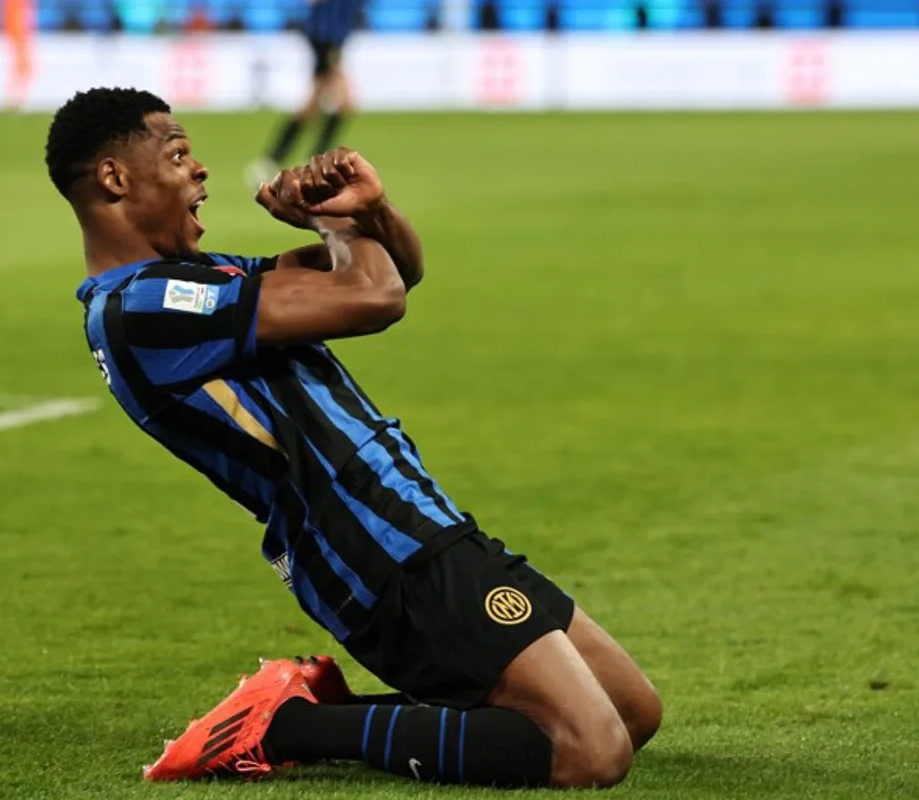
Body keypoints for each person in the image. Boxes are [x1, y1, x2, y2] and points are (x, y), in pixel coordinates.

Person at [45, 87, 661, 789]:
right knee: (589, 750)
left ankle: (330, 710)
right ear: (115, 178)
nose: (201, 171)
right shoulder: (141, 308)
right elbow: (373, 297)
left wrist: (365, 213)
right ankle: (286, 725)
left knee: (631, 710)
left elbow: (397, 272)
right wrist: (327, 221)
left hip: (419, 524)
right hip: (372, 547)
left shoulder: (196, 281)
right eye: (179, 154)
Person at [246, 0, 365, 188]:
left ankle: (274, 160)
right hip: (326, 40)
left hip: (331, 40)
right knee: (343, 103)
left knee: (312, 107)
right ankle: (315, 164)